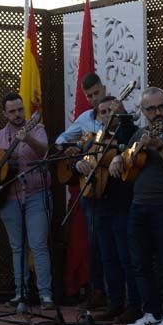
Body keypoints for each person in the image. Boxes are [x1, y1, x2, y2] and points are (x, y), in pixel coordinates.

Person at [109, 87, 163, 325]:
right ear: (143, 112)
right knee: (140, 264)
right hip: (138, 205)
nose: (158, 113)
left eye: (161, 107)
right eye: (151, 108)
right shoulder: (139, 134)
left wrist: (159, 146)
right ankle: (151, 314)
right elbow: (126, 157)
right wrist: (117, 159)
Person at [0, 92, 53, 310]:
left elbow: (44, 151)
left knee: (38, 245)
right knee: (17, 247)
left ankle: (46, 296)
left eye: (20, 109)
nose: (18, 114)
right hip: (8, 198)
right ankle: (21, 294)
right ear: (5, 114)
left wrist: (26, 137)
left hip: (37, 194)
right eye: (12, 111)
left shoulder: (37, 128)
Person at [76, 96, 139, 324]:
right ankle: (115, 303)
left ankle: (134, 305)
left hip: (123, 204)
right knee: (108, 256)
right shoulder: (98, 136)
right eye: (102, 112)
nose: (106, 115)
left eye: (110, 110)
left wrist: (123, 118)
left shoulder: (128, 132)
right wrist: (80, 163)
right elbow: (84, 155)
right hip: (99, 204)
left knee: (125, 256)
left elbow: (130, 146)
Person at [55, 71, 109, 309]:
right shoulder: (85, 119)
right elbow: (60, 140)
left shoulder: (116, 114)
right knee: (94, 242)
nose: (94, 99)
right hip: (90, 188)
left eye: (97, 93)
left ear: (104, 89)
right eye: (89, 96)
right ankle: (97, 292)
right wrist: (74, 148)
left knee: (115, 245)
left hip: (113, 188)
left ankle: (118, 295)